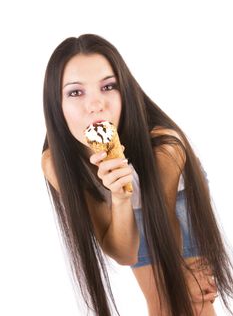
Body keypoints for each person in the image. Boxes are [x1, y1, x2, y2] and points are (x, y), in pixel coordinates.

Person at [41, 34, 233, 316]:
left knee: (193, 300)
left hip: (174, 200)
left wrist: (185, 277)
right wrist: (119, 198)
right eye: (75, 92)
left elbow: (163, 222)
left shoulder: (166, 147)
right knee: (160, 303)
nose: (95, 104)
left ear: (125, 92)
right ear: (56, 104)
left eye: (108, 87)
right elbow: (124, 253)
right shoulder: (58, 164)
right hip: (125, 212)